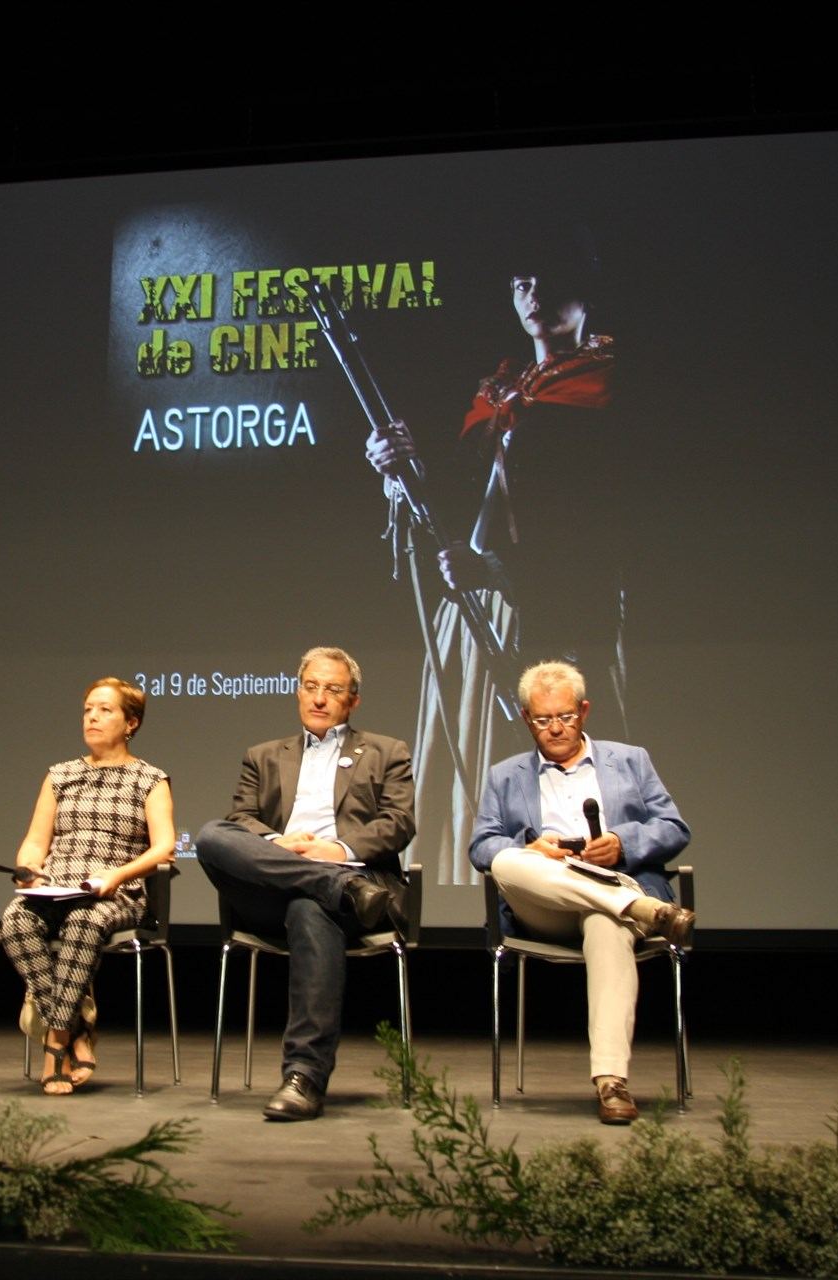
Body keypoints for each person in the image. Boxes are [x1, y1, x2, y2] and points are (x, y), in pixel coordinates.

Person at [366, 233, 624, 885]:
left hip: (545, 613)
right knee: (459, 773)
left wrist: (495, 572)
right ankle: (458, 894)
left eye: (545, 279)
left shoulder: (603, 393)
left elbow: (594, 524)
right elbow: (456, 502)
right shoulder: (503, 396)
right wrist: (402, 470)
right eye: (519, 282)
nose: (530, 294)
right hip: (471, 612)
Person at [194, 646, 415, 1121]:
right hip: (284, 884)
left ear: (352, 701)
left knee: (310, 906)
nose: (319, 698)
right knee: (213, 835)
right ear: (298, 692)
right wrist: (279, 842)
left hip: (357, 886)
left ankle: (304, 1078)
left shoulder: (386, 751)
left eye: (332, 689)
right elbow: (241, 819)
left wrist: (339, 852)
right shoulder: (263, 756)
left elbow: (399, 823)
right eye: (311, 687)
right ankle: (330, 884)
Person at [468, 660, 692, 1124]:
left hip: (612, 887)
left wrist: (623, 844)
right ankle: (644, 910)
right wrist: (530, 846)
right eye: (544, 719)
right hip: (543, 903)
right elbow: (481, 846)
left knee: (607, 924)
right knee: (507, 860)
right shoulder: (504, 775)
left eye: (565, 717)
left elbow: (674, 827)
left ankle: (611, 1082)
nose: (556, 729)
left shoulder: (630, 760)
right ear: (527, 718)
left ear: (584, 711)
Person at [1, 676, 175, 1095]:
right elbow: (35, 842)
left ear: (130, 722)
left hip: (117, 892)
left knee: (84, 920)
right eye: (88, 710)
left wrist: (116, 876)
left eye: (105, 710)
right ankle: (76, 1029)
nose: (93, 717)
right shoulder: (60, 775)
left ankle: (54, 1044)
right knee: (15, 921)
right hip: (56, 887)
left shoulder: (149, 779)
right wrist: (29, 869)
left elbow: (165, 846)